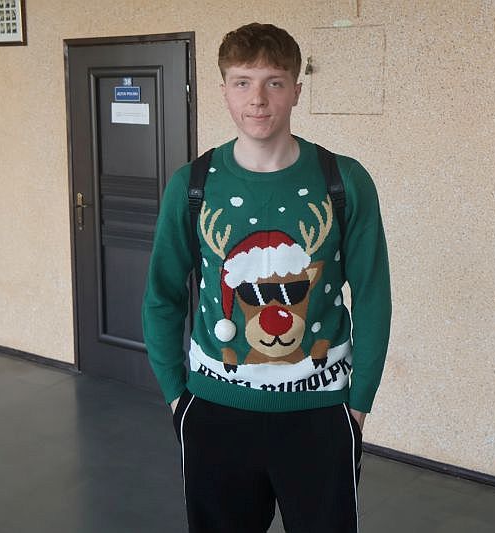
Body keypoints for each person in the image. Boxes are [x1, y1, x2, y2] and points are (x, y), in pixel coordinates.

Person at [142, 22, 392, 533]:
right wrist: (176, 396)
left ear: (296, 90)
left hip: (320, 412)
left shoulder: (344, 181)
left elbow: (372, 296)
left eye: (273, 82)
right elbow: (162, 295)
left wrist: (358, 405)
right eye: (242, 82)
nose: (257, 99)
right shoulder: (192, 185)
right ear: (224, 91)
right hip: (215, 409)